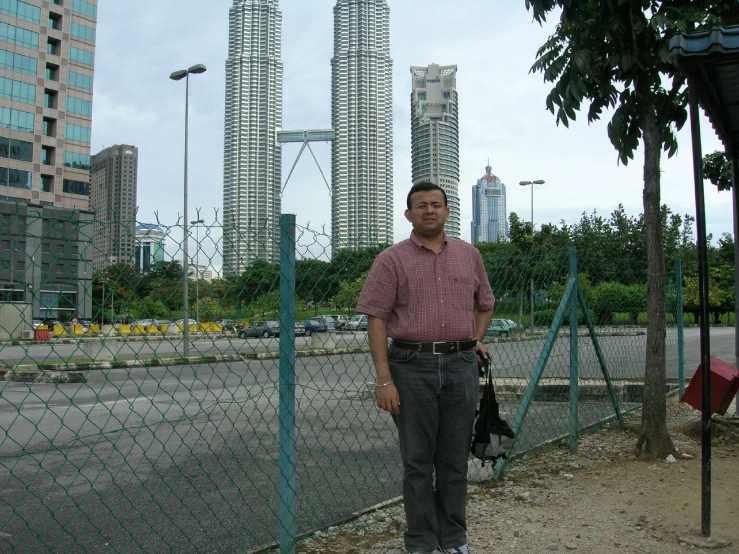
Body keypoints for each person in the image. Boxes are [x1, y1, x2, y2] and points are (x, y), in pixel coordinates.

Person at [356, 182, 495, 554]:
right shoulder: (391, 260)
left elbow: (486, 303)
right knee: (417, 461)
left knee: (453, 460)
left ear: (448, 212)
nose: (429, 210)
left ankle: (454, 539)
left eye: (436, 204)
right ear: (409, 214)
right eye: (421, 205)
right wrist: (383, 379)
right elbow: (376, 319)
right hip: (410, 366)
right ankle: (420, 542)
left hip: (461, 365)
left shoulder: (469, 256)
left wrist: (475, 338)